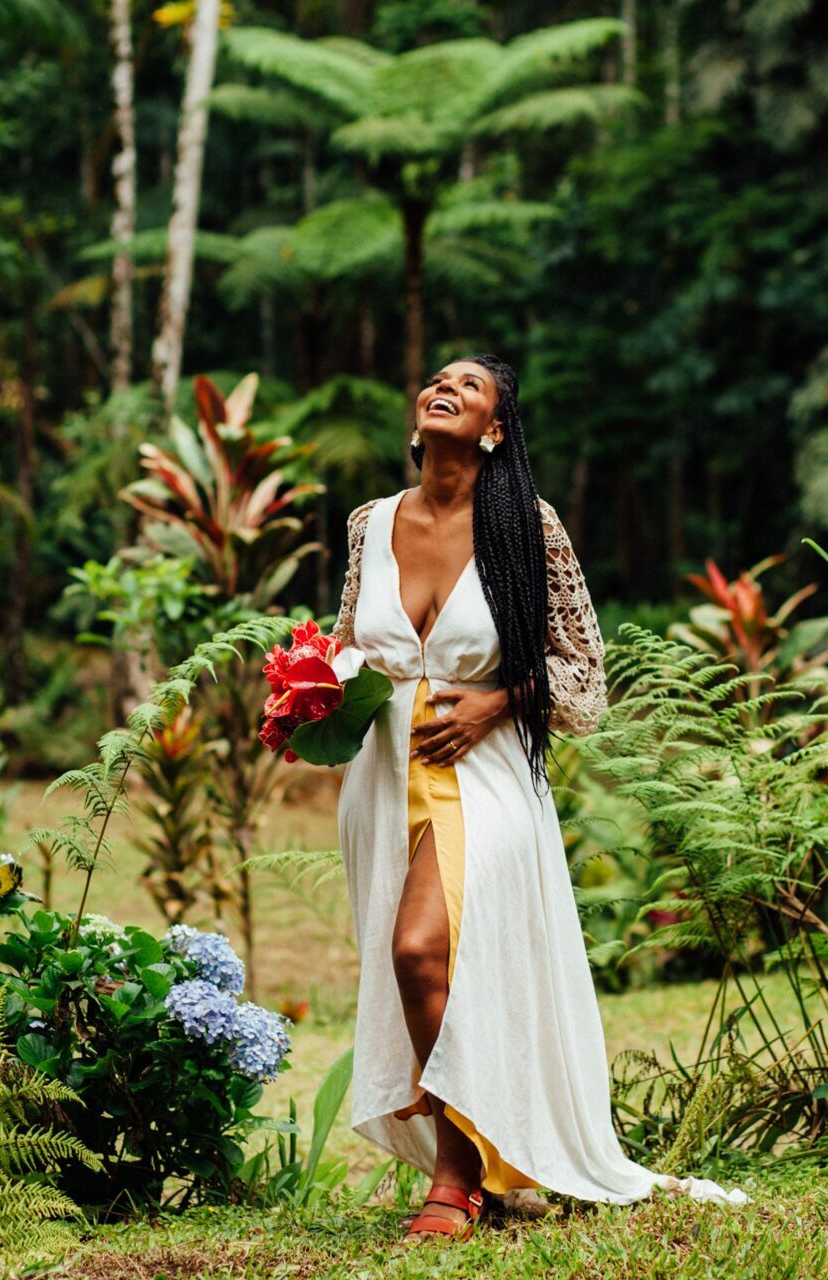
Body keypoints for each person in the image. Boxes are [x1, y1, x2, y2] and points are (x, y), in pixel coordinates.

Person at [331, 353, 747, 1242]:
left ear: (493, 430)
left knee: (419, 951)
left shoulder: (527, 525)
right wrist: (307, 696)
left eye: (470, 386)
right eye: (437, 379)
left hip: (483, 777)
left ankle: (458, 1176)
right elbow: (346, 649)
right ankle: (486, 1157)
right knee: (435, 969)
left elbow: (584, 673)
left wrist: (496, 702)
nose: (445, 388)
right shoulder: (371, 523)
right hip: (382, 782)